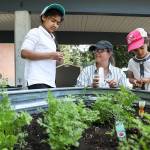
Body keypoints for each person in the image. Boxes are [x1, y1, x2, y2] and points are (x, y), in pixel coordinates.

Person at [21, 3, 65, 89]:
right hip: (37, 81)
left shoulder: (52, 39)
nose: (55, 25)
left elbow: (49, 61)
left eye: (58, 23)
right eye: (53, 20)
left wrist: (59, 60)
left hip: (50, 82)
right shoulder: (35, 32)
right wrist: (51, 55)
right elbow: (24, 53)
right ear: (43, 17)